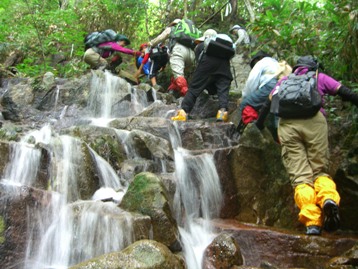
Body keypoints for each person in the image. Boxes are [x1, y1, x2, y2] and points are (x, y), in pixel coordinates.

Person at [255, 55, 358, 235]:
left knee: (301, 177)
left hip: (288, 126)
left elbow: (267, 104)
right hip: (314, 122)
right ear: (314, 67)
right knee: (319, 170)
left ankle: (312, 223)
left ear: (296, 68)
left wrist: (258, 126)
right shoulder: (319, 77)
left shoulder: (285, 81)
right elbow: (346, 93)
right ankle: (327, 199)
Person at [171, 29, 233, 122]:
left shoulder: (201, 45)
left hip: (206, 65)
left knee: (194, 88)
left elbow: (199, 63)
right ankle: (222, 113)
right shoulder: (223, 47)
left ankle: (183, 113)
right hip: (224, 67)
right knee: (223, 90)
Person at [238, 51, 290, 134]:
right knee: (274, 116)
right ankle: (277, 137)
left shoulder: (262, 62)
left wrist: (244, 97)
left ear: (259, 58)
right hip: (284, 86)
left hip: (271, 86)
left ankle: (252, 132)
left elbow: (251, 81)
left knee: (246, 104)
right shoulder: (276, 63)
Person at [146, 18, 198, 97]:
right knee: (177, 75)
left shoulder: (172, 29)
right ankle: (173, 91)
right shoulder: (190, 32)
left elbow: (160, 38)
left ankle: (188, 98)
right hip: (191, 54)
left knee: (179, 76)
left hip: (179, 51)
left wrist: (150, 43)